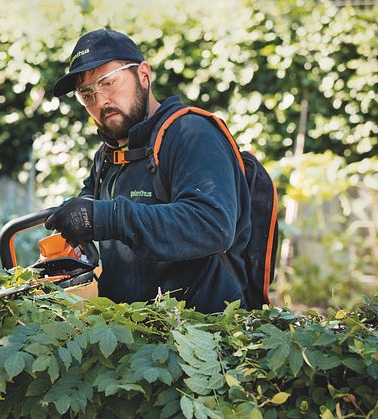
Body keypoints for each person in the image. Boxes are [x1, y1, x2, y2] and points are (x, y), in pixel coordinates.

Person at [43, 29, 252, 313]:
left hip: (203, 336)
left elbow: (212, 225)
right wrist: (79, 239)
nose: (100, 101)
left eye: (108, 82)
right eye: (86, 93)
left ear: (143, 74)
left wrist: (107, 218)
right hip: (129, 332)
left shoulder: (191, 134)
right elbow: (92, 209)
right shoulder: (107, 157)